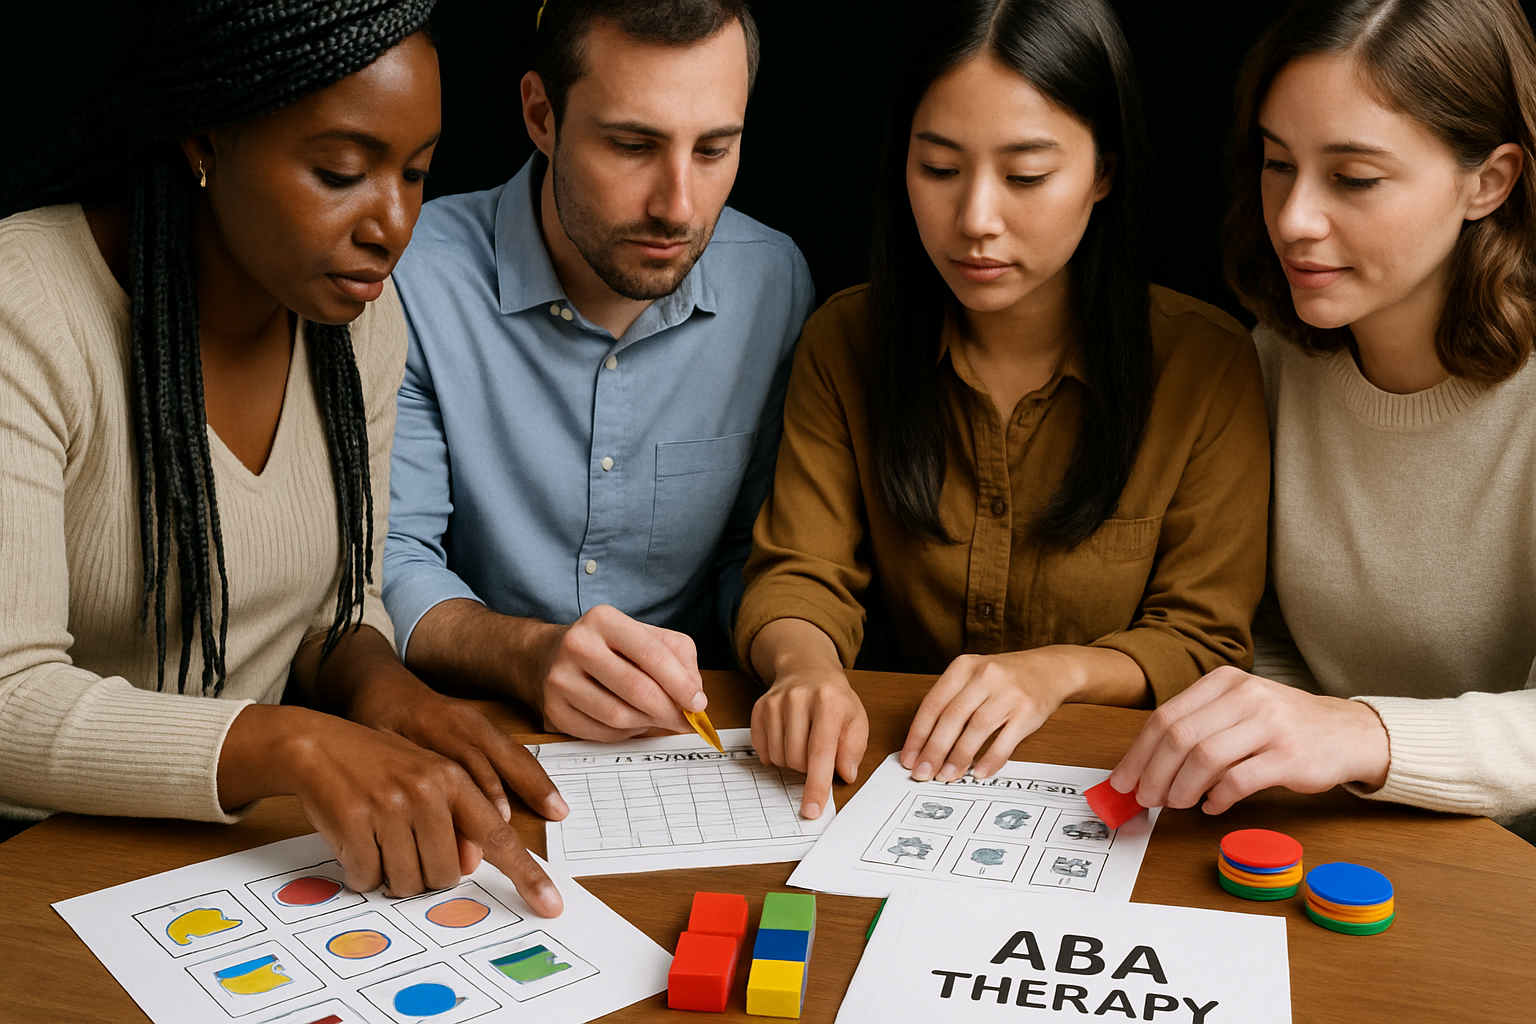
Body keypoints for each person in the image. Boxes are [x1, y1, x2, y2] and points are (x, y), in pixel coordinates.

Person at [0, 0, 566, 914]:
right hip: (37, 867)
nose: (392, 224)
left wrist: (384, 687)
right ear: (205, 138)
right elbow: (5, 699)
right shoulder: (21, 308)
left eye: (417, 173)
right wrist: (295, 745)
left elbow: (324, 607)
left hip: (237, 857)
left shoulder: (362, 318)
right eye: (341, 171)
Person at [736, 0, 1271, 819]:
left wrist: (1055, 671)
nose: (975, 219)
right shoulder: (847, 338)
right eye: (940, 169)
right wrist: (803, 669)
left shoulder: (1206, 363)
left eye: (1025, 176)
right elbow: (801, 575)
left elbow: (1202, 640)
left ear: (1104, 172)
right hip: (888, 772)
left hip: (1104, 793)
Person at [1109, 0, 1536, 842]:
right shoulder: (1275, 358)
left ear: (1489, 182)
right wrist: (1274, 736)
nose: (1294, 219)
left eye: (1354, 178)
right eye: (1277, 164)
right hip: (1328, 831)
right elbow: (1261, 630)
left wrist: (1359, 734)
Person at [383, 0, 814, 742]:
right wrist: (525, 654)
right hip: (472, 729)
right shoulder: (414, 278)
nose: (678, 207)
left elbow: (757, 555)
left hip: (690, 739)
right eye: (632, 146)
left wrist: (800, 660)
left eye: (713, 150)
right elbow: (390, 562)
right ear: (541, 114)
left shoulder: (774, 284)